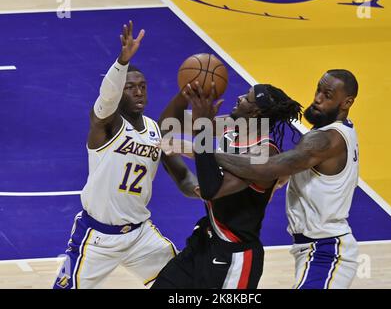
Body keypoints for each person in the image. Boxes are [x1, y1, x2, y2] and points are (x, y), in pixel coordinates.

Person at [53, 21, 198, 289]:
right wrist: (122, 62)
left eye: (143, 86)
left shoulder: (155, 131)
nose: (139, 91)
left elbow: (181, 176)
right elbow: (106, 98)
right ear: (120, 91)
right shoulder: (107, 125)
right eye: (131, 87)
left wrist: (200, 189)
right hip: (97, 237)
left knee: (184, 284)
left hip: (140, 235)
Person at [213, 69, 360, 289]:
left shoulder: (326, 139)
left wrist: (205, 153)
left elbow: (268, 168)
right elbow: (287, 171)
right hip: (313, 249)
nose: (318, 98)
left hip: (326, 250)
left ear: (347, 102)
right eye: (318, 90)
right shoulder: (336, 132)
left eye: (327, 95)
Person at [151, 82, 302, 289]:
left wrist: (200, 136)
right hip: (204, 243)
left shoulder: (264, 154)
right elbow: (168, 125)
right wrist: (186, 94)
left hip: (234, 257)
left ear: (256, 112)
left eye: (246, 97)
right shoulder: (231, 128)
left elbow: (212, 190)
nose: (239, 97)